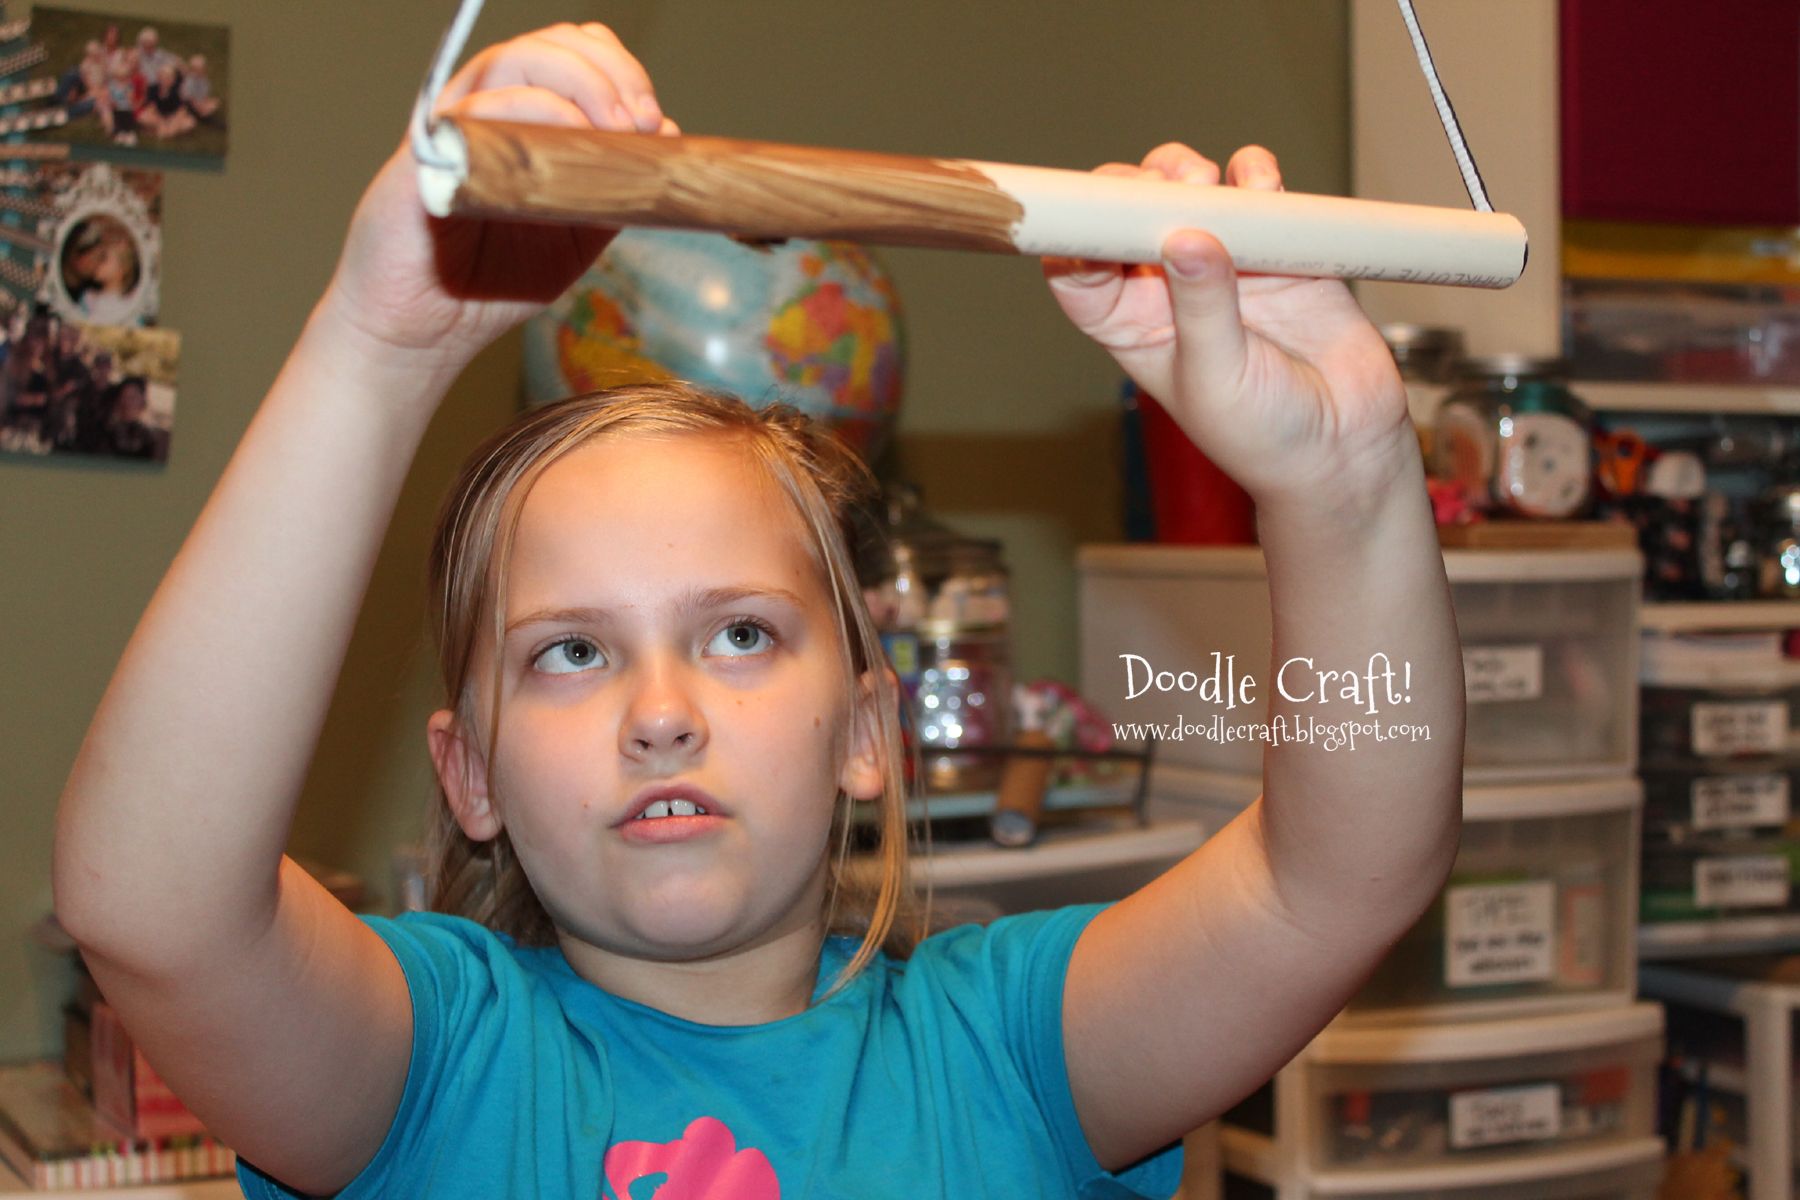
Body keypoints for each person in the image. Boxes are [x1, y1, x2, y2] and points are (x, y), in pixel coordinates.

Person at [53, 21, 1464, 1200]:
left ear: (865, 730)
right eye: (571, 653)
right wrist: (378, 347)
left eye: (739, 635)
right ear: (469, 772)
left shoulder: (1009, 1055)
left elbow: (1337, 880)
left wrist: (1343, 483)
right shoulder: (439, 1069)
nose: (661, 714)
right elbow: (157, 912)